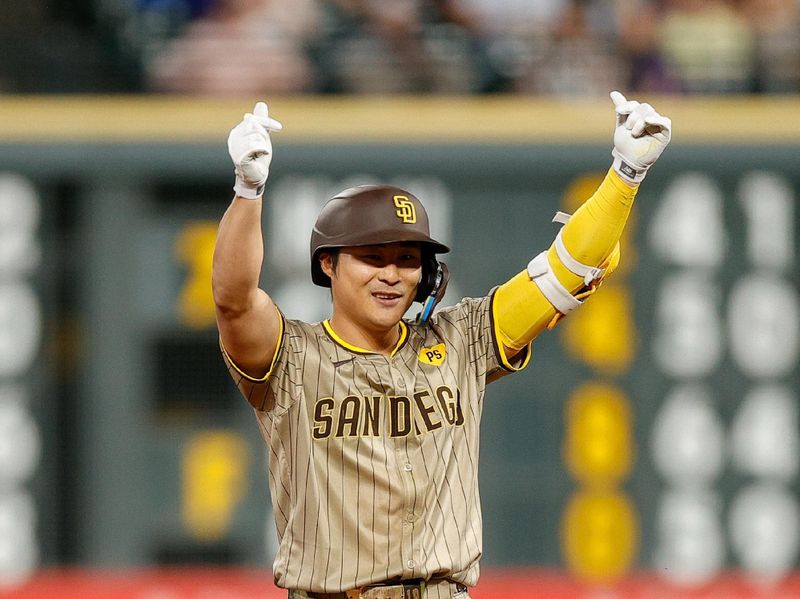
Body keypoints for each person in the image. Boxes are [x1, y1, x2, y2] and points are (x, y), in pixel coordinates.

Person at [212, 93, 672, 599]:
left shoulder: (462, 338)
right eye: (372, 256)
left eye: (408, 258)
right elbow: (233, 301)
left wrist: (625, 174)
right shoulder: (293, 358)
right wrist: (248, 191)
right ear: (328, 264)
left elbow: (563, 273)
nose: (391, 274)